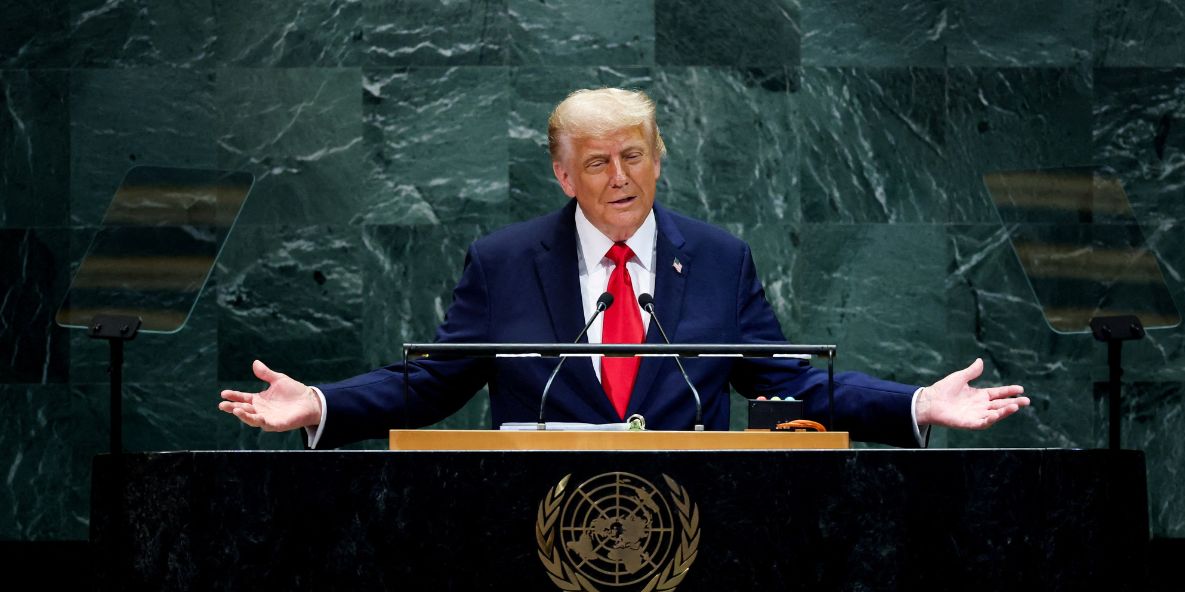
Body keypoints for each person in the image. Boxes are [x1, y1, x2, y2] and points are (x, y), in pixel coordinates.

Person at [219, 88, 1030, 449]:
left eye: (634, 156)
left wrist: (918, 402)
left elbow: (792, 384)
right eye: (598, 161)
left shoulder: (717, 259)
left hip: (697, 529)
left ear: (658, 161)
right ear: (564, 175)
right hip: (534, 532)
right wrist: (320, 403)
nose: (620, 177)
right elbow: (427, 384)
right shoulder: (504, 264)